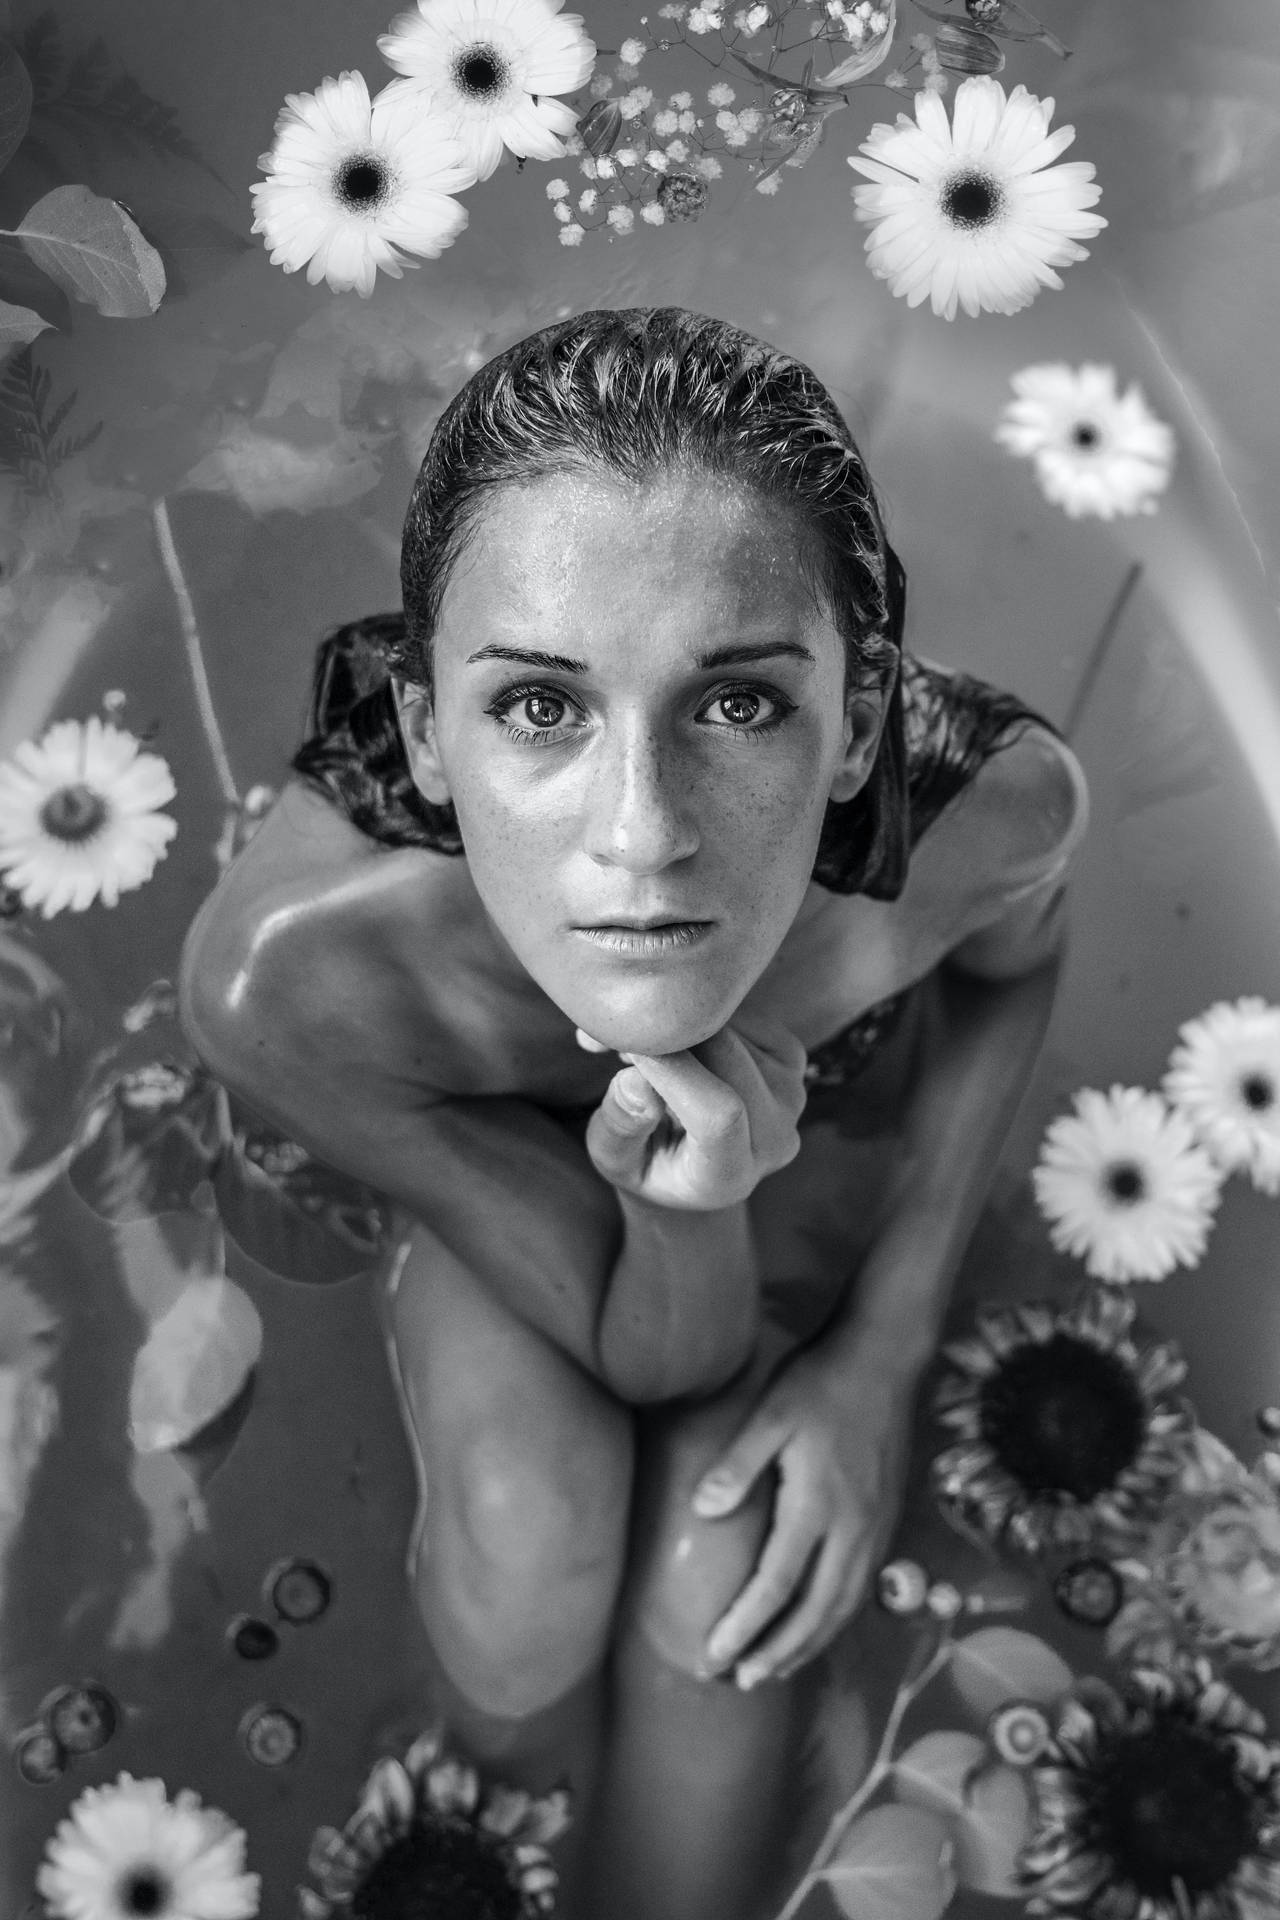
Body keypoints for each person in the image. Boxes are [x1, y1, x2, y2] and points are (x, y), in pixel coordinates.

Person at [178, 306, 1089, 1920]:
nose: (642, 837)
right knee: (530, 1545)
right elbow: (643, 1355)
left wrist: (881, 1355)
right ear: (423, 734)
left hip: (795, 1184)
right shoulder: (295, 986)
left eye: (738, 705)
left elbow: (1015, 972)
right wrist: (688, 1204)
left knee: (728, 1581)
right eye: (539, 708)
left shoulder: (981, 816)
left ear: (862, 716)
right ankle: (482, 1848)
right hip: (516, 1206)